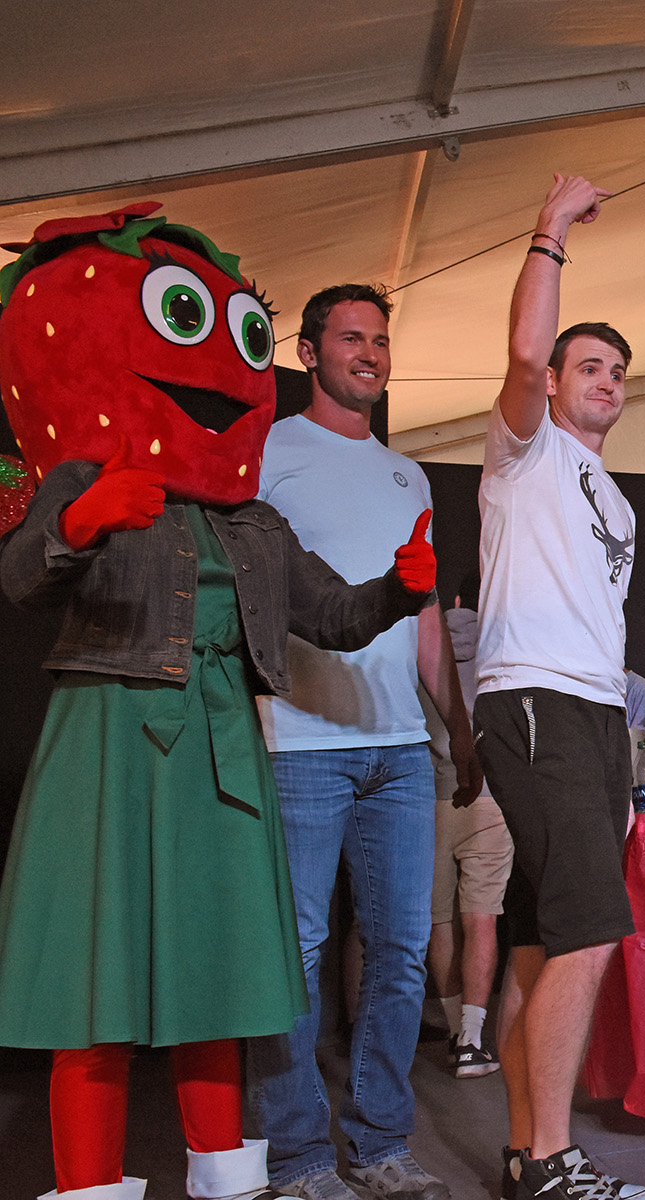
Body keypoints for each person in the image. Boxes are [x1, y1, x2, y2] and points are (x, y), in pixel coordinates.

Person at [0, 206, 435, 1200]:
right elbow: (22, 578)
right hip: (109, 732)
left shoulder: (254, 522)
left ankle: (227, 1180)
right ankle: (92, 1182)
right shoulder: (91, 474)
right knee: (96, 985)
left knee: (218, 978)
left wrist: (399, 591)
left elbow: (331, 614)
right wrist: (76, 517)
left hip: (222, 744)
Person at [243, 284, 474, 1200]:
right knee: (296, 954)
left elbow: (420, 619)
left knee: (402, 952)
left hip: (399, 749)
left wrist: (458, 727)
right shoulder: (267, 452)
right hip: (299, 740)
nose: (371, 353)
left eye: (381, 340)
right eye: (351, 338)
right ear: (309, 353)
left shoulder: (408, 475)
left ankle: (378, 1144)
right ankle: (297, 1158)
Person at [472, 174, 645, 1200]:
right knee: (590, 931)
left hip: (593, 714)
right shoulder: (523, 447)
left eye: (619, 370)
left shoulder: (617, 500)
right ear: (555, 380)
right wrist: (551, 231)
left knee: (542, 940)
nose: (608, 380)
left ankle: (524, 1151)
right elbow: (525, 351)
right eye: (591, 365)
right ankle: (549, 1158)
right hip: (534, 699)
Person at [423, 585, 513, 1080]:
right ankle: (473, 1041)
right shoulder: (498, 643)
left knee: (441, 922)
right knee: (482, 919)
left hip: (428, 799)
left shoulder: (423, 644)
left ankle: (458, 1030)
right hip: (487, 798)